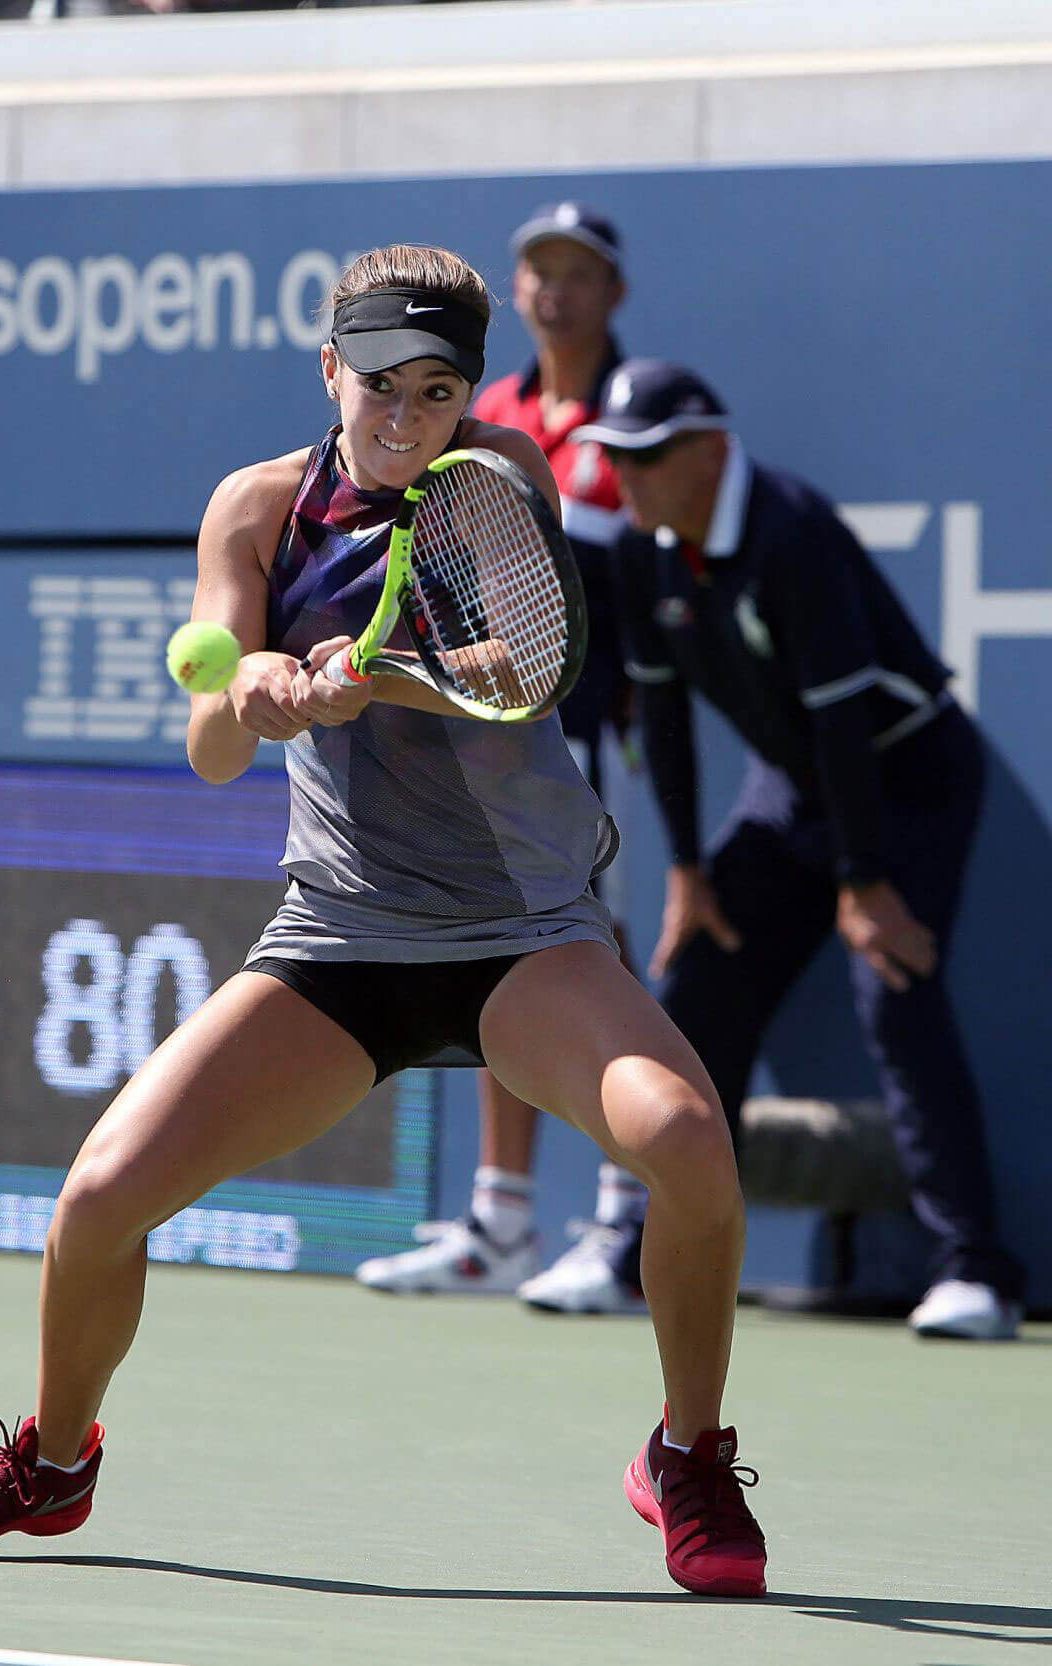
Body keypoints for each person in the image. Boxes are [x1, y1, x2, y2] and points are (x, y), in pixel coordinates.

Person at [0, 250, 767, 1597]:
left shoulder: (497, 481)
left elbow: (525, 669)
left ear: (470, 392)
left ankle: (686, 1449)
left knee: (688, 1142)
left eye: (438, 390)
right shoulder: (256, 511)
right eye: (379, 387)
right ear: (327, 367)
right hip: (341, 941)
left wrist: (381, 674)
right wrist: (262, 691)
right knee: (101, 1199)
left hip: (522, 934)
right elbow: (210, 754)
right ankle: (53, 1463)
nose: (405, 422)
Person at [573, 357, 1025, 1342]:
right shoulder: (649, 551)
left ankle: (974, 1269)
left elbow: (844, 725)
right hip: (794, 790)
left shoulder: (792, 532)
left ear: (711, 451)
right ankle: (647, 1251)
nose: (630, 477)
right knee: (696, 987)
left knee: (892, 990)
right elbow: (664, 716)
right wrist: (688, 870)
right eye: (618, 458)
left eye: (650, 456)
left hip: (906, 778)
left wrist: (864, 884)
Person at [354, 204, 647, 1313]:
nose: (556, 293)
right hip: (457, 732)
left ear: (612, 291)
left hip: (578, 730)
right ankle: (501, 1220)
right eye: (539, 273)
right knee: (492, 949)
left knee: (585, 955)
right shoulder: (483, 410)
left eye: (579, 274)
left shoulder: (631, 417)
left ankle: (622, 1224)